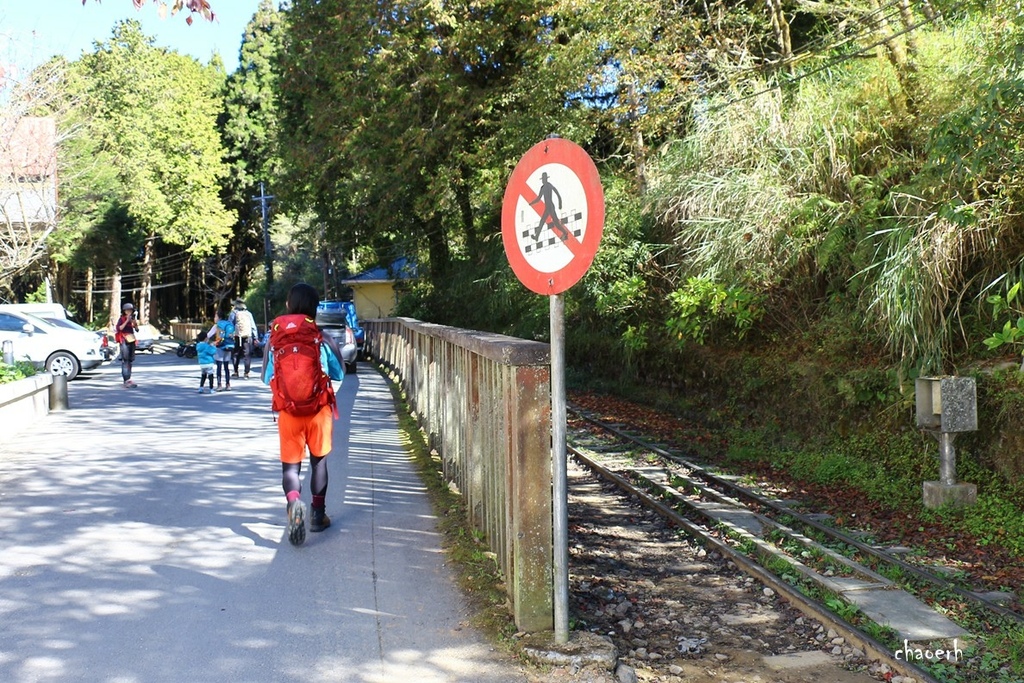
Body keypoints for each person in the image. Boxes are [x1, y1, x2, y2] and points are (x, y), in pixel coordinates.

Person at [263, 282, 345, 546]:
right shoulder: (323, 338)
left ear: (288, 305)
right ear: (315, 308)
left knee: (290, 467)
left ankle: (294, 502)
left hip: (288, 412)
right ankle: (317, 515)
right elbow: (340, 373)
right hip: (319, 410)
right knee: (318, 463)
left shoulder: (275, 340)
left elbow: (266, 378)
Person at [230, 298, 258, 379]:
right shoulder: (248, 313)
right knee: (247, 354)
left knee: (236, 354)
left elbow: (230, 325)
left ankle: (236, 372)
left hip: (237, 336)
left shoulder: (233, 313)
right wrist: (255, 337)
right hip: (247, 336)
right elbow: (253, 326)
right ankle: (246, 373)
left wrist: (230, 335)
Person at [208, 309, 235, 391]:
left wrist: (209, 343)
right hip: (229, 346)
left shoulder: (217, 325)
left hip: (220, 347)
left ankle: (219, 385)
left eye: (215, 316)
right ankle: (228, 384)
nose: (214, 318)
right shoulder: (229, 324)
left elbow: (208, 335)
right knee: (226, 367)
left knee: (219, 366)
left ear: (219, 317)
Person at [114, 302, 140, 388]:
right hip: (124, 340)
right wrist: (127, 321)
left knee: (130, 360)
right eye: (127, 310)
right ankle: (126, 379)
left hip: (131, 340)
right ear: (124, 311)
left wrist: (134, 323)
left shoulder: (132, 319)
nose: (129, 312)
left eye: (130, 310)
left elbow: (137, 329)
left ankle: (129, 378)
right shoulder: (121, 319)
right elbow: (119, 328)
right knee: (125, 360)